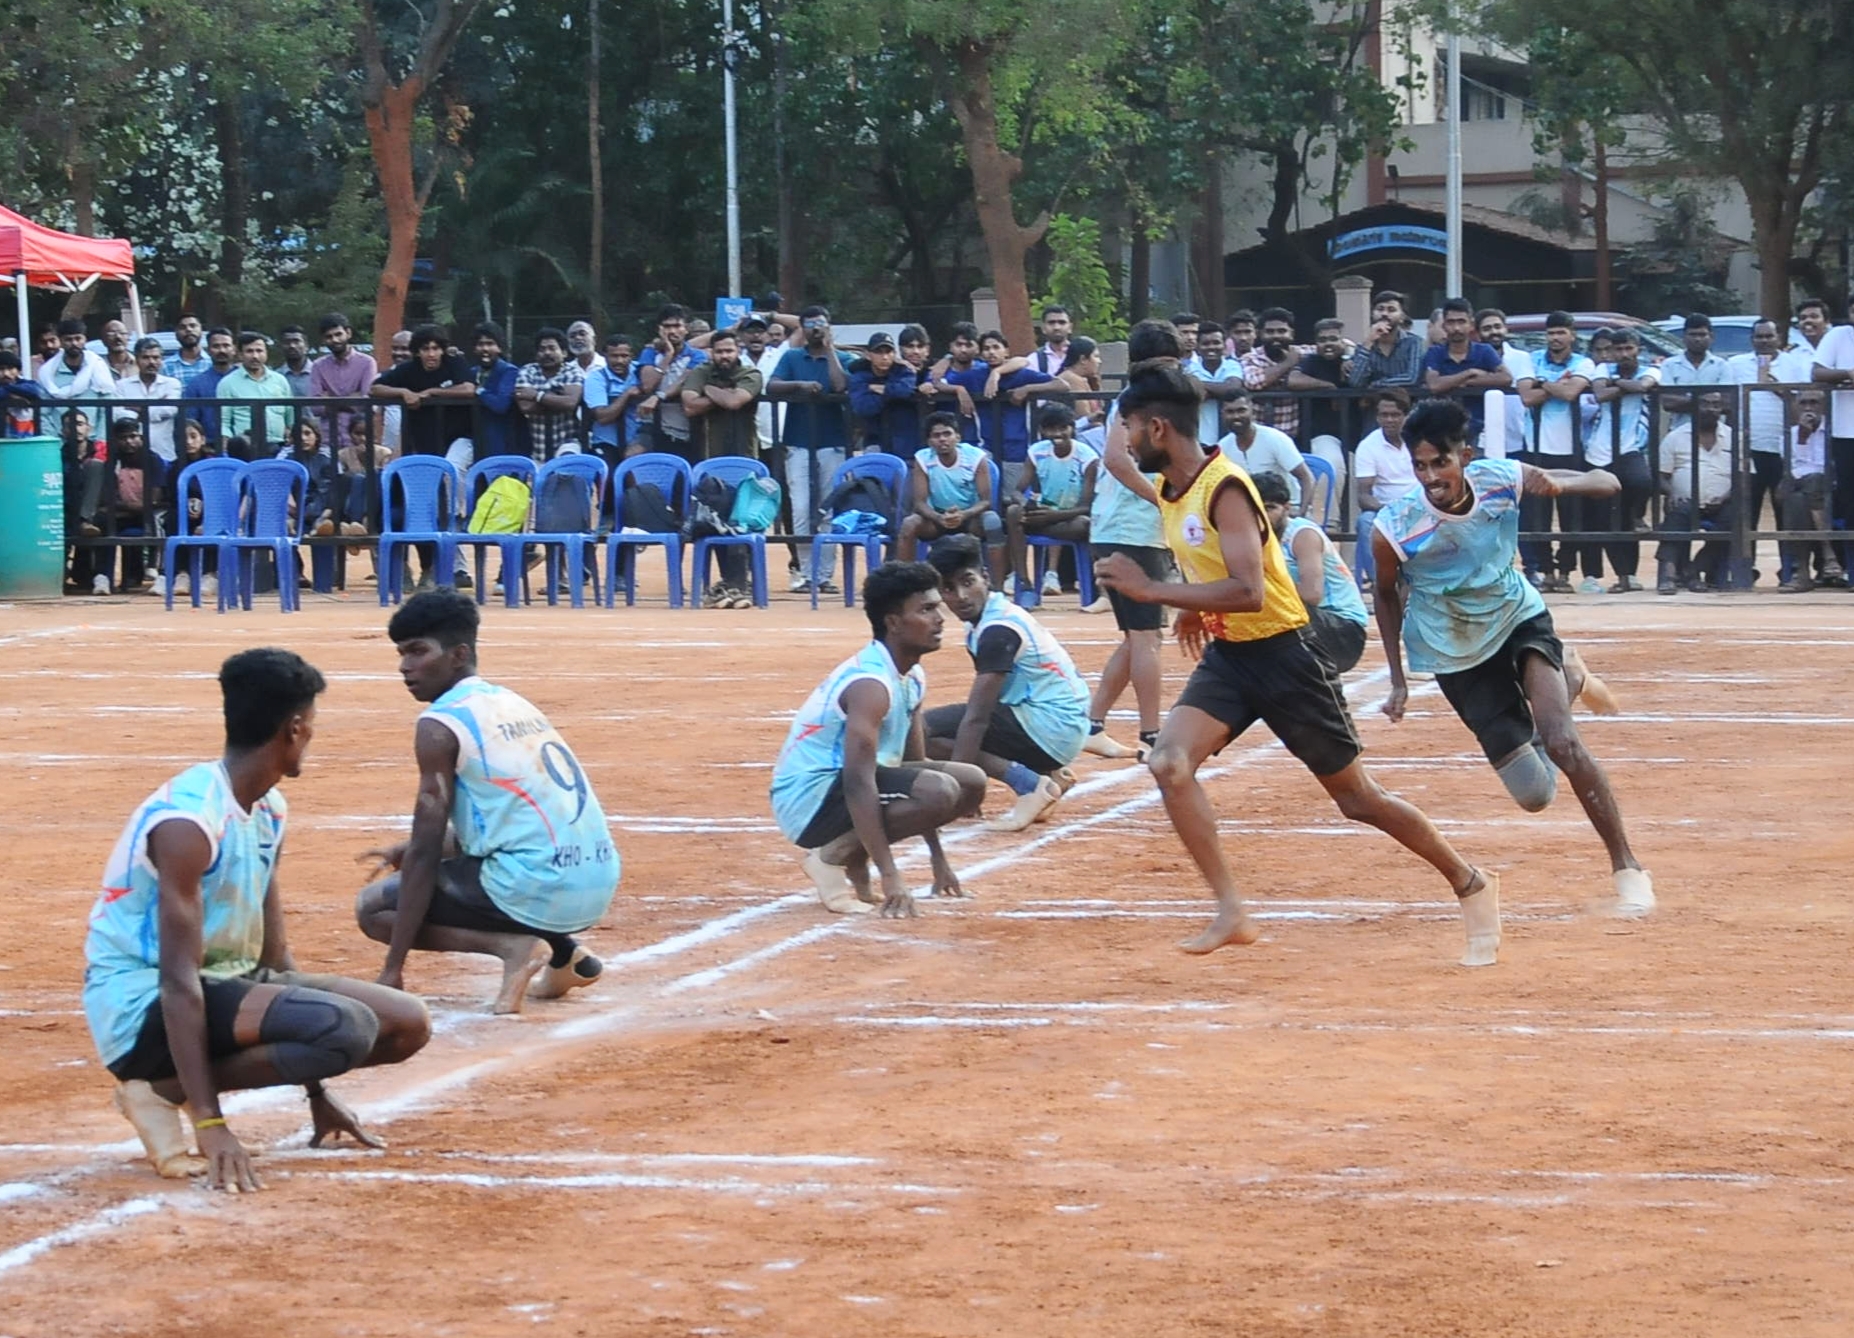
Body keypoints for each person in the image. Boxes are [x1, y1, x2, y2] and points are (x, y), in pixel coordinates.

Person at [1094, 356, 1496, 964]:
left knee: (1358, 799)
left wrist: (1155, 591)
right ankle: (1231, 910)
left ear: (1157, 429)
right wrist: (1194, 605)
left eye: (1128, 426)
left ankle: (1470, 881)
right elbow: (1122, 468)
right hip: (1232, 656)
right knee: (1170, 764)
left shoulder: (1225, 488)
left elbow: (1250, 590)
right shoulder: (1171, 488)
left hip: (1286, 655)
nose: (1124, 439)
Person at [84, 648, 431, 1189]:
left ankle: (169, 1087)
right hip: (143, 1004)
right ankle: (160, 1090)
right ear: (294, 729)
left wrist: (317, 1086)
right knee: (346, 1027)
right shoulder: (188, 824)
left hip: (225, 982)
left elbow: (274, 957)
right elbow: (177, 982)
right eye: (311, 725)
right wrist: (210, 1122)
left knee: (406, 1023)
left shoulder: (268, 809)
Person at [1373, 399, 1652, 920]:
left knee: (1562, 742)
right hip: (1454, 650)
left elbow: (1592, 482)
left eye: (1440, 463)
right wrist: (1397, 679)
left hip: (1518, 619)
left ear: (1465, 456)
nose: (1430, 477)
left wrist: (1572, 483)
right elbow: (1385, 595)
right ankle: (1571, 677)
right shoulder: (1398, 525)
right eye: (1420, 465)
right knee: (1534, 793)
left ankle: (1628, 869)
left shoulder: (1498, 479)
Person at [356, 591, 620, 1013]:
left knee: (374, 908)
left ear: (459, 655)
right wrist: (408, 849)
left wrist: (393, 969)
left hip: (539, 885)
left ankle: (513, 948)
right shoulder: (509, 702)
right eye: (402, 654)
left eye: (418, 651)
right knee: (494, 856)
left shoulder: (440, 725)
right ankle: (568, 955)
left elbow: (426, 851)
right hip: (596, 878)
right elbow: (503, 821)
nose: (405, 666)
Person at [769, 561, 985, 915]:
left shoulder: (911, 675)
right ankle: (830, 858)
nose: (940, 619)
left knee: (970, 781)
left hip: (841, 789)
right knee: (940, 789)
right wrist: (891, 876)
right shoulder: (871, 686)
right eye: (926, 610)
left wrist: (938, 858)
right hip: (809, 801)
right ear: (894, 623)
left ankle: (850, 856)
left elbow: (916, 765)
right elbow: (858, 781)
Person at [923, 534, 1090, 829]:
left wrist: (963, 795)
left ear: (985, 578)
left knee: (921, 731)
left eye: (968, 582)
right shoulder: (991, 616)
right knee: (953, 726)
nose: (961, 596)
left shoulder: (998, 630)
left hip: (1051, 728)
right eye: (948, 588)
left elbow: (978, 718)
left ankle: (1031, 785)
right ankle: (1049, 774)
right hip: (1060, 726)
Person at [769, 306, 854, 593]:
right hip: (798, 441)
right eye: (810, 324)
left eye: (821, 324)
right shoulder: (792, 357)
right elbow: (772, 386)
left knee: (827, 509)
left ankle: (825, 576)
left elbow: (841, 386)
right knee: (801, 508)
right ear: (802, 329)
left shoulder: (843, 358)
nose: (816, 329)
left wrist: (829, 351)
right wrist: (799, 385)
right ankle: (806, 573)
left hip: (833, 441)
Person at [1513, 311, 1597, 591]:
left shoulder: (1583, 362)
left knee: (1571, 516)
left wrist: (1543, 384)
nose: (1555, 338)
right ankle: (1546, 572)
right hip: (1535, 447)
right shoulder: (1531, 359)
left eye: (1561, 332)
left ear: (1572, 335)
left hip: (1570, 448)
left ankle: (1565, 573)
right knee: (1538, 517)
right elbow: (1527, 397)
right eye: (1551, 333)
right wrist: (1557, 385)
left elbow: (1570, 393)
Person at [1254, 469, 1367, 673]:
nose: (1263, 516)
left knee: (1266, 601)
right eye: (1256, 508)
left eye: (1269, 508)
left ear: (1286, 508)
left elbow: (1312, 595)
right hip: (1313, 625)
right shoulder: (1255, 537)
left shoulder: (1303, 535)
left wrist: (1266, 580)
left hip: (1342, 630)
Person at [896, 411, 1006, 578]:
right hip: (937, 519)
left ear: (958, 437)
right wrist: (939, 517)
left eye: (947, 434)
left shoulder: (976, 457)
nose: (942, 439)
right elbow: (919, 503)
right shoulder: (923, 458)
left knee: (992, 521)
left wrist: (964, 515)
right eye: (936, 435)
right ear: (929, 442)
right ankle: (906, 584)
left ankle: (997, 586)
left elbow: (986, 501)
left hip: (970, 518)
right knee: (909, 524)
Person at [1005, 403, 1096, 599]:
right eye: (1051, 429)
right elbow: (1018, 491)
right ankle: (1023, 581)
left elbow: (1086, 507)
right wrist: (1025, 503)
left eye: (1063, 428)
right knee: (1013, 512)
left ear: (1072, 428)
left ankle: (1056, 576)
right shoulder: (1036, 451)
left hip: (1069, 519)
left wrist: (1052, 516)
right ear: (1042, 430)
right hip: (1043, 516)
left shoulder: (1087, 457)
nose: (1057, 434)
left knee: (1085, 524)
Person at [1655, 390, 1741, 593]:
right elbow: (1660, 476)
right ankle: (1668, 575)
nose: (1710, 409)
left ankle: (1693, 570)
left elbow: (1744, 476)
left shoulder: (1734, 437)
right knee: (1677, 514)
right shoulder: (1675, 436)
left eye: (1715, 405)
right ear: (1693, 407)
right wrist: (1672, 493)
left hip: (1722, 502)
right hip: (1685, 501)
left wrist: (1725, 497)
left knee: (1734, 519)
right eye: (1704, 404)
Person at [1351, 388, 1416, 589]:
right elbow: (1364, 496)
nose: (1389, 420)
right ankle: (1381, 585)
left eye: (1395, 415)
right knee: (1365, 522)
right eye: (1383, 415)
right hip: (1385, 511)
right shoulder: (1368, 445)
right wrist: (1389, 510)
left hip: (1422, 507)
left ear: (1407, 415)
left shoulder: (1421, 440)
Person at [1422, 297, 1512, 442]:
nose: (1456, 328)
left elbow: (1506, 378)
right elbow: (1435, 385)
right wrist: (1470, 373)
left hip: (1479, 430)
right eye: (1451, 322)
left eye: (1461, 322)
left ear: (1471, 325)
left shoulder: (1484, 350)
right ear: (1444, 326)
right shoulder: (1435, 352)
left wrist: (1466, 382)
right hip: (1441, 429)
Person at [1777, 389, 1839, 591]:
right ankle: (1827, 554)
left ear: (1825, 406)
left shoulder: (1836, 431)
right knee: (1797, 500)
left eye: (1814, 402)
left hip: (1834, 488)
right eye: (1803, 403)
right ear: (1795, 406)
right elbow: (1793, 466)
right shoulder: (1789, 435)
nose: (1808, 408)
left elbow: (1829, 466)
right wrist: (1803, 437)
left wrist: (1803, 476)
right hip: (1808, 490)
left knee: (1810, 484)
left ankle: (1802, 572)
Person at [1216, 391, 1313, 515]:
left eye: (1241, 410)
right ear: (1222, 414)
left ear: (1252, 411)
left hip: (1286, 509)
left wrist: (1301, 514)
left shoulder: (1274, 438)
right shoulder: (1223, 446)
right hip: (1250, 512)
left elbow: (1306, 477)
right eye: (1230, 412)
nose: (1236, 416)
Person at [679, 327, 764, 457]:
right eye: (719, 351)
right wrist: (725, 394)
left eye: (729, 351)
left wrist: (708, 388)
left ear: (739, 351)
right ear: (711, 352)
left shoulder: (751, 374)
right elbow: (689, 407)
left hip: (743, 447)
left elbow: (733, 402)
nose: (724, 356)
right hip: (707, 449)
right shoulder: (701, 371)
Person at [514, 326, 587, 461]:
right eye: (542, 349)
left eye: (552, 348)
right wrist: (557, 397)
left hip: (568, 443)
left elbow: (570, 403)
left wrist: (537, 395)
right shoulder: (527, 371)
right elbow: (526, 407)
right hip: (536, 448)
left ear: (564, 352)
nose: (547, 353)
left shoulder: (572, 372)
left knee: (566, 468)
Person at [308, 313, 376, 453]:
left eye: (338, 334)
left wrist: (330, 399)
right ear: (324, 340)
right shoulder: (318, 366)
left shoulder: (367, 362)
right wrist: (352, 398)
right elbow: (316, 407)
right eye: (329, 336)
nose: (334, 340)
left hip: (358, 440)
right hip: (327, 440)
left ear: (348, 333)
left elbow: (366, 402)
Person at [218, 331, 293, 452]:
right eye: (249, 351)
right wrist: (226, 447)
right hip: (246, 447)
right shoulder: (227, 383)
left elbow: (290, 416)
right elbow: (224, 422)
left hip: (279, 447)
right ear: (240, 355)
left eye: (259, 351)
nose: (255, 356)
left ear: (266, 353)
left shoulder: (280, 380)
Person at [37, 317, 114, 436]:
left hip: (93, 440)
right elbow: (43, 413)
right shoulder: (48, 372)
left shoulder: (98, 367)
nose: (74, 343)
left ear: (85, 339)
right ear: (61, 341)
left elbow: (107, 410)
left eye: (78, 338)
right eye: (68, 339)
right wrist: (54, 441)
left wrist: (101, 440)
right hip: (60, 440)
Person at [112, 336, 183, 462]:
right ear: (137, 359)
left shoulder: (172, 384)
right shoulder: (122, 385)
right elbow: (119, 415)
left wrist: (136, 409)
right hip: (130, 455)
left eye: (156, 357)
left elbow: (170, 410)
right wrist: (156, 407)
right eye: (145, 357)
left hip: (164, 452)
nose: (151, 362)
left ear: (161, 359)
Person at [847, 331, 917, 455]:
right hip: (875, 440)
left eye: (888, 352)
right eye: (878, 352)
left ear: (894, 354)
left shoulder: (903, 370)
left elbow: (905, 390)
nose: (884, 357)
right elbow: (863, 407)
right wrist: (891, 394)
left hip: (905, 440)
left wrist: (880, 389)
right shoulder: (859, 377)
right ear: (868, 355)